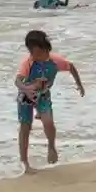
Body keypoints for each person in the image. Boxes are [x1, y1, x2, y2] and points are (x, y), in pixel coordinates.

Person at [15, 30, 84, 173]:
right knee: (25, 127)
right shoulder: (28, 63)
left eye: (38, 53)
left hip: (43, 95)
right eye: (32, 53)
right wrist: (26, 88)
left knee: (49, 122)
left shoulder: (55, 61)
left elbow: (71, 67)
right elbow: (17, 81)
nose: (35, 57)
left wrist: (79, 84)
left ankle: (51, 146)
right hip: (26, 97)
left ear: (46, 49)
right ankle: (25, 163)